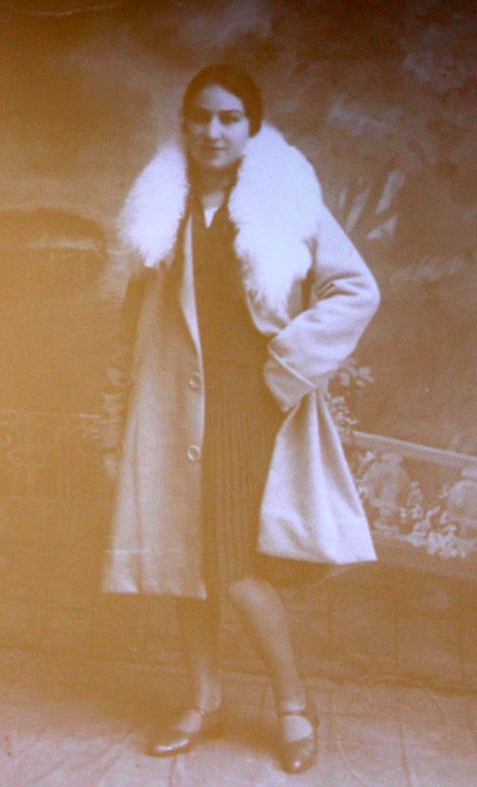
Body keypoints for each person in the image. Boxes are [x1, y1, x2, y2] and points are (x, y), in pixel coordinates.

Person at [100, 64, 380, 774]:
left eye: (229, 118)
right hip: (173, 406)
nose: (213, 131)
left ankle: (293, 707)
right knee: (187, 558)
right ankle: (203, 702)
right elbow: (134, 315)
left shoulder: (286, 201)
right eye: (200, 116)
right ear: (184, 123)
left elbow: (354, 290)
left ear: (251, 127)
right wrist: (124, 401)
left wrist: (284, 369)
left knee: (229, 565)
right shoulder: (161, 208)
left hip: (252, 403)